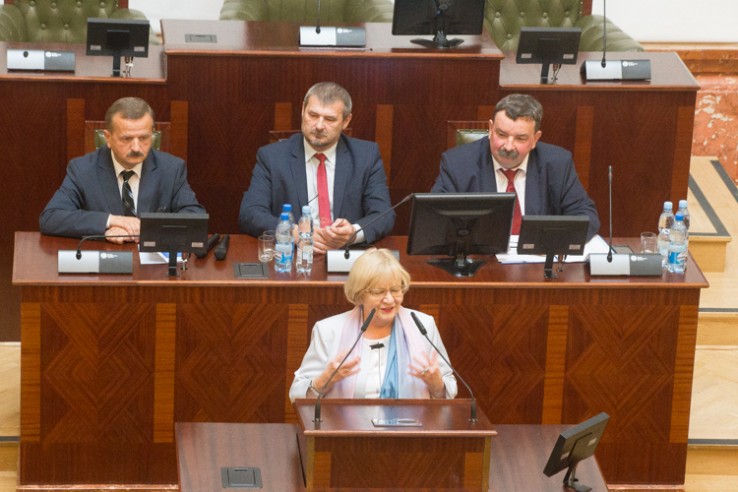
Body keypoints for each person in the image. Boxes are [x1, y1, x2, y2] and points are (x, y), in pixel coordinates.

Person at [238, 82, 394, 254]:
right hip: (293, 256)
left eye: (329, 119)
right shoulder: (272, 157)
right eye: (313, 115)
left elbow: (384, 214)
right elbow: (250, 213)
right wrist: (291, 232)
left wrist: (353, 232)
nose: (319, 126)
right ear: (302, 110)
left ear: (346, 121)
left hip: (346, 256)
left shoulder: (366, 156)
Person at [289, 248, 457, 402]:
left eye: (396, 290)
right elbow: (296, 395)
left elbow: (448, 389)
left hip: (412, 424)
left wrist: (437, 385)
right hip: (346, 425)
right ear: (359, 293)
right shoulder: (328, 330)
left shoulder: (423, 326)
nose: (389, 300)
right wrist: (325, 380)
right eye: (378, 292)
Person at [431, 93, 600, 240]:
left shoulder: (557, 163)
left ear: (535, 139)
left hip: (537, 261)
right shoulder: (458, 163)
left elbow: (586, 217)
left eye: (520, 138)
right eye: (501, 134)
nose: (508, 146)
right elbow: (435, 219)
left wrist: (547, 242)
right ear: (490, 129)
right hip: (481, 260)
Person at [39, 97, 205, 243]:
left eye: (144, 138)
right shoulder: (83, 169)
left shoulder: (171, 169)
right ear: (108, 138)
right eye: (126, 139)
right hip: (105, 260)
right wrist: (112, 222)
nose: (136, 147)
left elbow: (195, 218)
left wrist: (144, 228)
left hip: (153, 264)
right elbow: (51, 218)